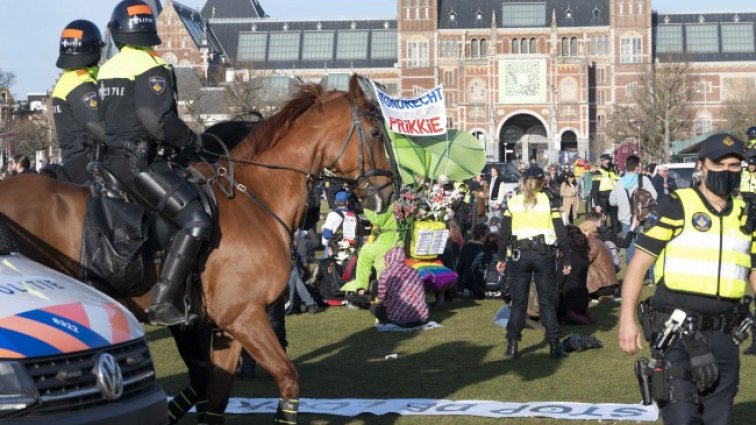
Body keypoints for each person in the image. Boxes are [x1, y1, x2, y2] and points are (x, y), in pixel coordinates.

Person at [619, 132, 756, 425]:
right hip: (677, 332)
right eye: (719, 165)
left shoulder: (746, 215)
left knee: (718, 419)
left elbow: (753, 270)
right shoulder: (676, 205)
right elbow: (638, 265)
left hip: (725, 334)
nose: (727, 171)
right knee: (682, 418)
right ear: (701, 166)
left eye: (735, 165)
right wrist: (626, 320)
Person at [98, 0, 212, 326]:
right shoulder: (152, 66)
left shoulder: (108, 68)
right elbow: (157, 120)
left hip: (111, 164)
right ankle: (162, 301)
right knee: (197, 221)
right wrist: (193, 141)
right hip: (142, 166)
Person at [496, 166, 572, 360]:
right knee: (547, 301)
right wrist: (566, 259)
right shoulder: (549, 201)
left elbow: (503, 235)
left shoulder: (513, 202)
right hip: (543, 254)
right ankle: (554, 345)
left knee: (518, 302)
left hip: (519, 255)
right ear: (542, 182)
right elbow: (562, 233)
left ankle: (512, 346)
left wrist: (501, 258)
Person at [52, 20, 106, 185]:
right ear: (93, 50)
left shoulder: (71, 78)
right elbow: (99, 126)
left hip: (77, 159)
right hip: (87, 160)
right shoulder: (78, 84)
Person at [609, 155, 656, 265]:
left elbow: (612, 201)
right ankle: (649, 277)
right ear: (637, 167)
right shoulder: (643, 180)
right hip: (643, 218)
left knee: (629, 248)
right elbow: (654, 196)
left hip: (626, 220)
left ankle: (632, 273)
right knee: (645, 247)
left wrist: (622, 203)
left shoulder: (619, 182)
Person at [370, 246, 429, 327]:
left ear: (390, 259)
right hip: (421, 318)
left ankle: (387, 321)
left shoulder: (386, 274)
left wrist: (385, 304)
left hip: (399, 320)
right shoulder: (414, 271)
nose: (385, 263)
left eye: (386, 260)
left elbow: (382, 298)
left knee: (374, 307)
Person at [559, 225, 591, 325]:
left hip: (569, 299)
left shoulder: (568, 257)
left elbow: (559, 282)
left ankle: (567, 314)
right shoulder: (583, 253)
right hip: (582, 299)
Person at [455, 223, 488, 299]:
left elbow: (459, 267)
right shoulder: (485, 249)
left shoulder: (466, 247)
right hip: (480, 282)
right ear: (481, 236)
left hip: (466, 281)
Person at [321, 191, 356, 257]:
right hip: (351, 247)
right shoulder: (353, 215)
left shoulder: (332, 215)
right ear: (347, 202)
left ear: (335, 202)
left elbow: (327, 234)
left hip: (335, 248)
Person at [591, 154, 619, 236]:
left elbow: (617, 183)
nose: (609, 161)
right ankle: (603, 238)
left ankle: (614, 238)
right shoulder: (598, 172)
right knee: (603, 220)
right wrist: (596, 205)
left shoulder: (612, 171)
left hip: (613, 199)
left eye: (610, 160)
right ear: (602, 161)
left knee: (615, 220)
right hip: (603, 199)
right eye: (607, 160)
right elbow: (594, 190)